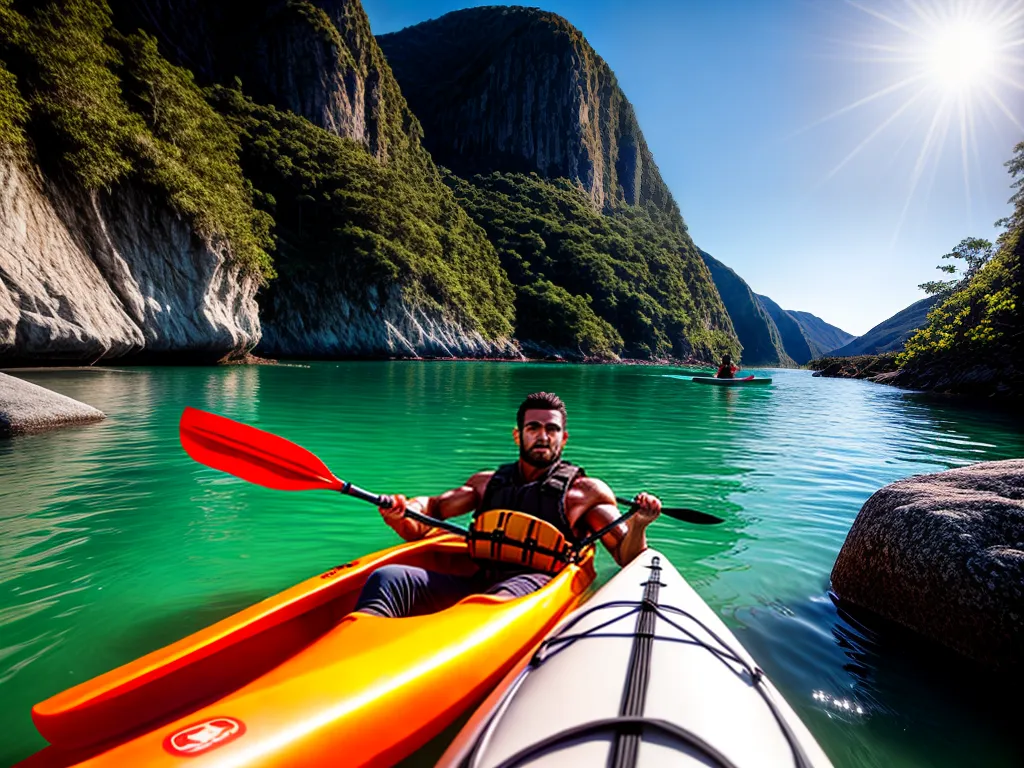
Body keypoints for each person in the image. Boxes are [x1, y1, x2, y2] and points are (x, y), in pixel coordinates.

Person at [352, 391, 662, 618]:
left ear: (563, 439)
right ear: (518, 436)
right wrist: (401, 511)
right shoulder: (486, 483)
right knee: (387, 578)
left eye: (552, 429)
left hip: (533, 589)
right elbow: (429, 511)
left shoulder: (584, 493)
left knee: (497, 597)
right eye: (533, 428)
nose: (543, 436)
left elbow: (627, 556)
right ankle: (358, 644)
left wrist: (639, 523)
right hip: (481, 583)